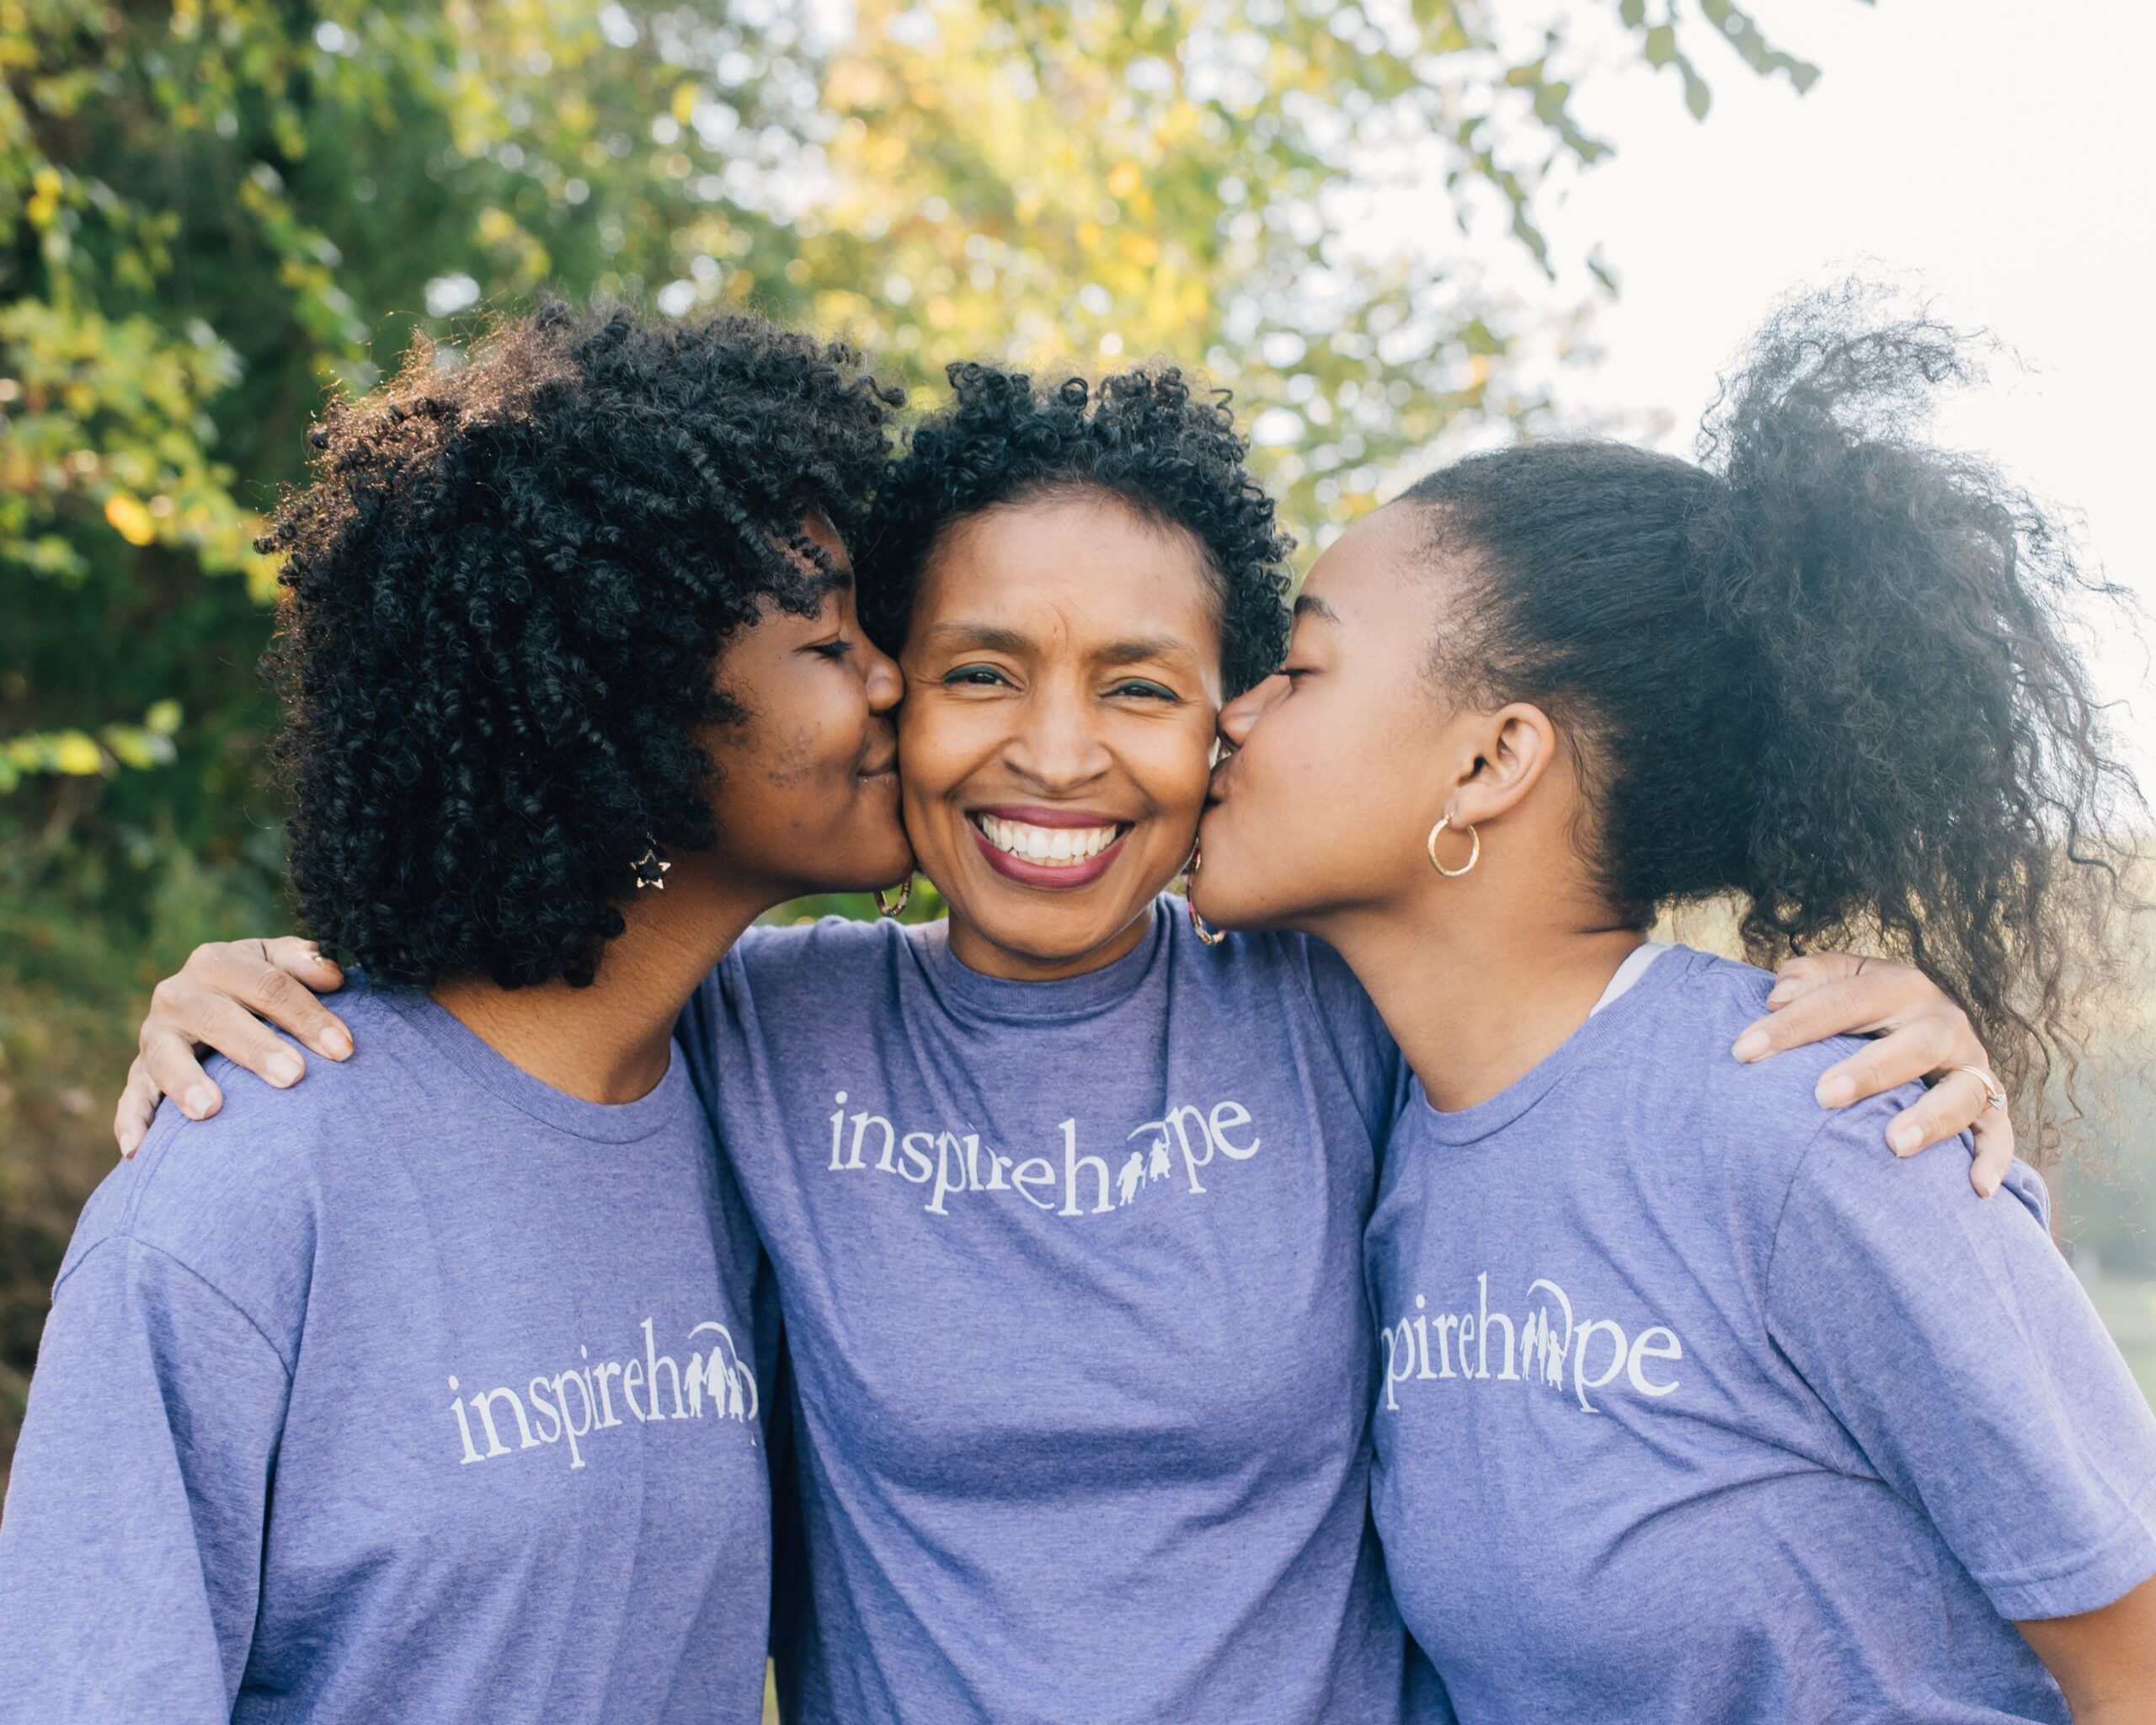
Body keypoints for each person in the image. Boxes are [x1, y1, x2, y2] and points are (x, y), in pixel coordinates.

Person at [108, 358, 2009, 1725]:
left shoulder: (1337, 1016)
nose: (1055, 753)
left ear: (1227, 728)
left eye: (1144, 687)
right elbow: (509, 1074)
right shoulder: (752, 1037)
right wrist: (251, 988)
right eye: (973, 671)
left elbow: (1557, 1016)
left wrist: (1883, 1017)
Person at [1193, 291, 2156, 1721]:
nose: (1234, 710)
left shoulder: (1817, 1118)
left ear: (1492, 761)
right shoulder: (1394, 1130)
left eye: (1304, 666)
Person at [0, 300, 912, 1724]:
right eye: (830, 642)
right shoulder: (248, 1176)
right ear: (633, 699)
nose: (894, 679)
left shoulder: (768, 1100)